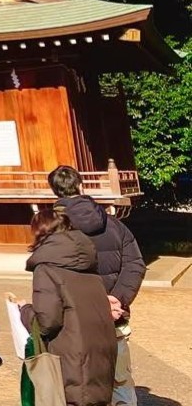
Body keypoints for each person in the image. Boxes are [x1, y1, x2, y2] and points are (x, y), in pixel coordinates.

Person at [50, 166, 145, 406]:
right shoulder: (114, 225)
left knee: (84, 387)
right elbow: (135, 263)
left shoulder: (53, 230)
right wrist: (117, 299)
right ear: (80, 185)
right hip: (115, 318)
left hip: (76, 326)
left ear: (53, 190)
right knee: (120, 382)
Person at [16, 208, 117, 406]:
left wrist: (24, 311)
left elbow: (47, 322)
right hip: (100, 351)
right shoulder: (89, 264)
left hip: (71, 355)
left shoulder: (46, 269)